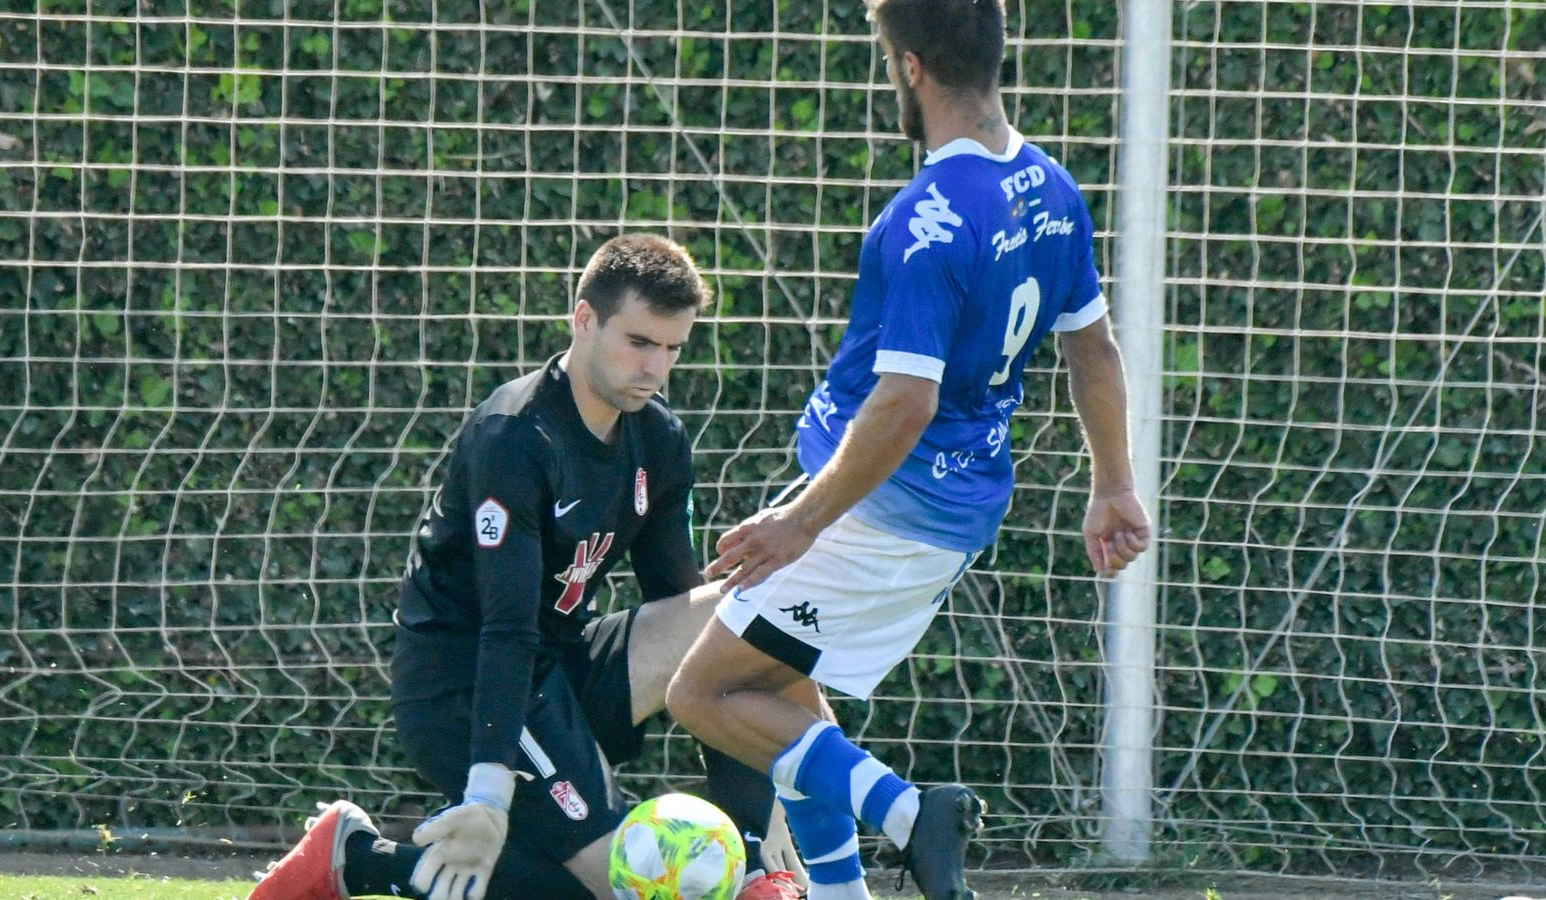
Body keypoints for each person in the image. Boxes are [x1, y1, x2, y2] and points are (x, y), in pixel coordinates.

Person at [664, 3, 1154, 899]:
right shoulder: (1053, 189)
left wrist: (799, 523)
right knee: (789, 701)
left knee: (703, 696)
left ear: (911, 67)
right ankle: (845, 892)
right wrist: (1114, 484)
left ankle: (906, 811)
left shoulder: (926, 217)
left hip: (877, 512)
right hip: (949, 507)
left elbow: (906, 401)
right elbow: (1094, 347)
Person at [249, 234, 807, 900]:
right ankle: (360, 859)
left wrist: (766, 794)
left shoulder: (657, 436)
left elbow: (691, 614)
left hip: (562, 666)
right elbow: (507, 626)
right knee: (617, 891)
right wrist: (490, 788)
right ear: (584, 319)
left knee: (735, 614)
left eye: (672, 348)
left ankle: (759, 867)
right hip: (464, 685)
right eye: (639, 342)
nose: (655, 367)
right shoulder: (515, 437)